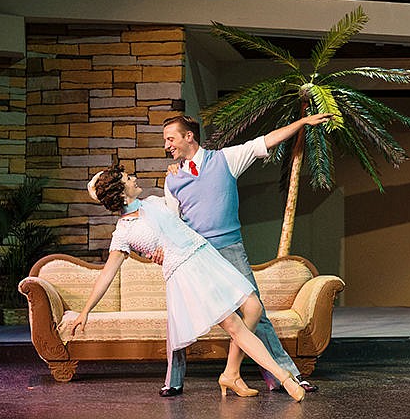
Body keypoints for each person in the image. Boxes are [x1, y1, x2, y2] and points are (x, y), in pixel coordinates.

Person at [71, 164, 306, 402]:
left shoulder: (153, 202)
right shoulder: (123, 232)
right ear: (121, 191)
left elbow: (179, 209)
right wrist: (86, 310)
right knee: (235, 325)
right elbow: (107, 274)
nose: (134, 178)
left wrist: (177, 171)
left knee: (254, 307)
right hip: (187, 275)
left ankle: (231, 373)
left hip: (204, 256)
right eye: (128, 178)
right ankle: (284, 378)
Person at [156, 113, 331, 396]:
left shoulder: (226, 159)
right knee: (178, 317)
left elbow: (266, 141)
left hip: (230, 248)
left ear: (189, 136)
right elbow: (172, 222)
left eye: (170, 138)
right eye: (166, 141)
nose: (167, 145)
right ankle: (173, 381)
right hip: (195, 256)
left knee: (255, 310)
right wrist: (164, 251)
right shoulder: (172, 179)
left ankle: (286, 377)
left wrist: (300, 123)